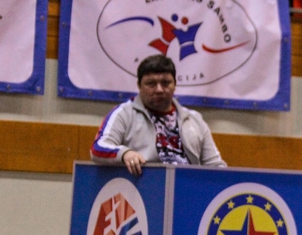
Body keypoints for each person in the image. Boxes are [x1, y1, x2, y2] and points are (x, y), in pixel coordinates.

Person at [91, 55, 227, 175]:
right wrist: (125, 154)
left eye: (166, 83)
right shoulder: (123, 113)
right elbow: (98, 148)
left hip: (188, 188)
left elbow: (216, 166)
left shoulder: (194, 119)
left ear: (175, 84)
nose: (159, 90)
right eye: (151, 84)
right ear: (139, 86)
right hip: (143, 187)